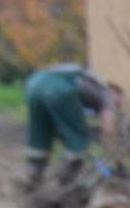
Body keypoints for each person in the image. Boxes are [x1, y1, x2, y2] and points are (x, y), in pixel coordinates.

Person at [20, 63, 121, 194]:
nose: (119, 106)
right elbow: (107, 128)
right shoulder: (105, 93)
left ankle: (32, 177)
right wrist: (111, 149)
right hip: (61, 89)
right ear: (115, 93)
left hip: (34, 84)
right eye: (120, 102)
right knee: (79, 141)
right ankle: (62, 186)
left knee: (40, 135)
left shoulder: (85, 78)